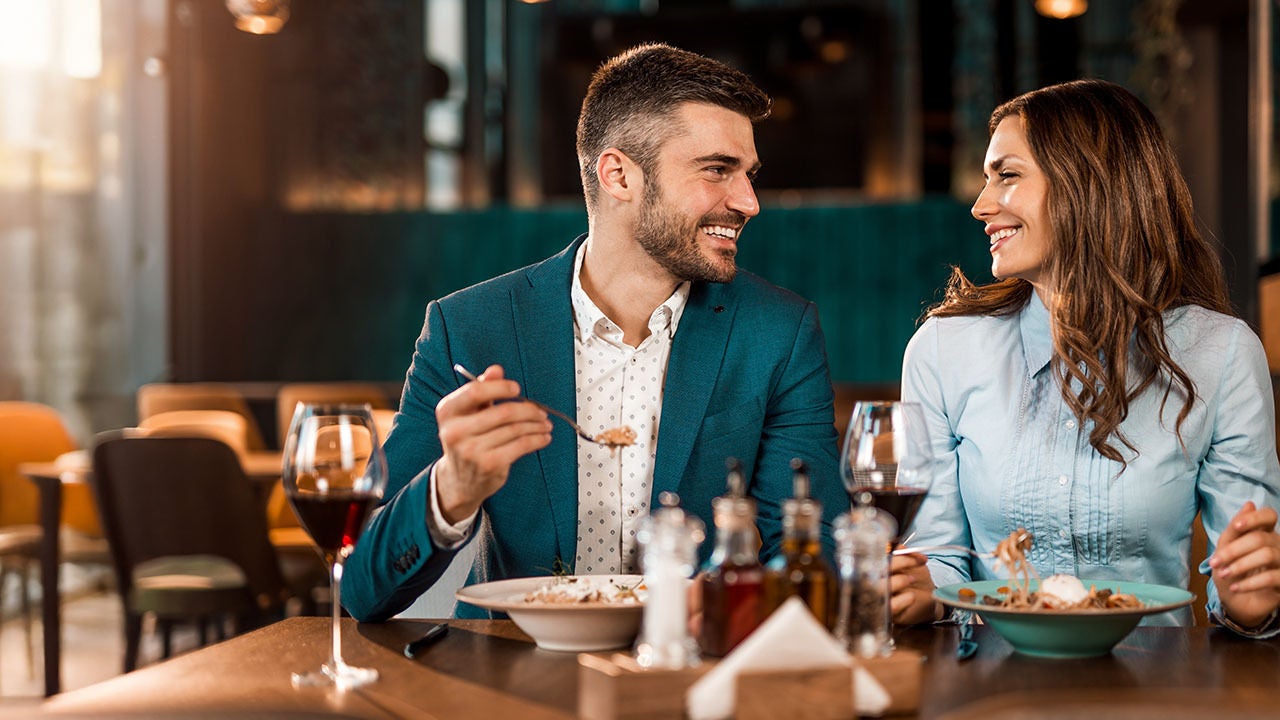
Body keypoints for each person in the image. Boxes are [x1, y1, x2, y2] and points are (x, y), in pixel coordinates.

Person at [342, 43, 845, 622]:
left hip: (695, 677)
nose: (748, 202)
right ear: (618, 174)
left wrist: (730, 601)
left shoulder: (780, 332)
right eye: (716, 170)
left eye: (748, 175)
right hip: (514, 686)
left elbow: (812, 552)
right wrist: (450, 491)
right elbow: (360, 588)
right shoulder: (469, 329)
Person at [890, 79, 1280, 636]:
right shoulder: (943, 349)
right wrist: (919, 588)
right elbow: (939, 556)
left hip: (1156, 685)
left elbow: (1242, 578)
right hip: (992, 690)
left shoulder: (1222, 352)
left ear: (1087, 184)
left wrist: (1251, 601)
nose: (980, 206)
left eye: (1007, 175)